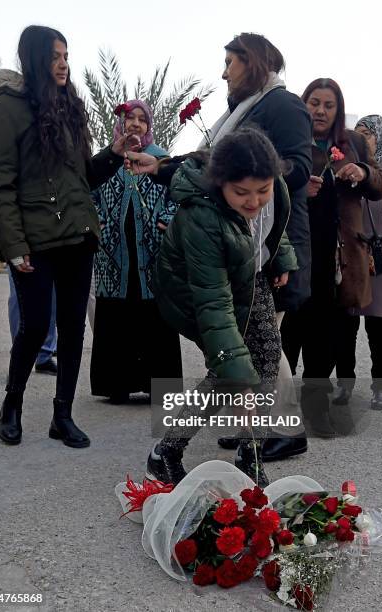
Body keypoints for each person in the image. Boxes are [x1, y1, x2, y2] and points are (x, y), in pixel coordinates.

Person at [128, 126, 297, 485]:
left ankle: (249, 454)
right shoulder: (201, 218)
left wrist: (280, 258)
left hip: (250, 275)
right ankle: (165, 453)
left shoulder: (273, 188)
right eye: (241, 193)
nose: (254, 201)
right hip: (198, 291)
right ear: (220, 183)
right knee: (228, 373)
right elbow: (215, 306)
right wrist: (240, 384)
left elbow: (273, 224)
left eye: (262, 190)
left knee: (267, 356)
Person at [0, 25, 129, 448]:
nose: (63, 63)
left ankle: (61, 415)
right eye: (54, 56)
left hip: (77, 238)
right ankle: (11, 405)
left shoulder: (70, 106)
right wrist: (13, 246)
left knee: (72, 329)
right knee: (32, 329)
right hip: (35, 241)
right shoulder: (7, 109)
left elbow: (82, 178)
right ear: (34, 59)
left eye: (66, 55)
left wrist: (113, 155)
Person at [200, 33, 312, 460]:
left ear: (254, 62)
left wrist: (250, 174)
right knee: (252, 338)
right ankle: (251, 427)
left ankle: (287, 429)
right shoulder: (244, 109)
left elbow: (300, 167)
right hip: (244, 242)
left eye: (230, 62)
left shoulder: (283, 105)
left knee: (264, 341)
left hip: (272, 243)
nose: (224, 72)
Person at [282, 79, 382, 435]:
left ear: (338, 110)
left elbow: (381, 184)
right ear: (304, 105)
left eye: (329, 105)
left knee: (324, 337)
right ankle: (274, 416)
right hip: (296, 254)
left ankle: (316, 409)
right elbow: (267, 184)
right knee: (285, 334)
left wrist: (363, 172)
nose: (320, 111)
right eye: (314, 103)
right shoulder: (290, 141)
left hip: (338, 259)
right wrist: (297, 186)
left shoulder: (354, 143)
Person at [90, 100, 182, 404]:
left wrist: (167, 219)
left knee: (155, 314)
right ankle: (116, 385)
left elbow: (178, 195)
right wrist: (99, 223)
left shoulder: (160, 160)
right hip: (112, 255)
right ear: (121, 122)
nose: (137, 125)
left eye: (143, 120)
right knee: (117, 314)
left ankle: (160, 388)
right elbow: (87, 193)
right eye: (131, 119)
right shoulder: (106, 160)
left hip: (153, 254)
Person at [333, 115, 382, 410]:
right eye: (359, 133)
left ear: (381, 137)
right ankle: (344, 385)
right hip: (352, 257)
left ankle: (381, 388)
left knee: (379, 327)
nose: (365, 139)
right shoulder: (347, 166)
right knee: (345, 326)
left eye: (369, 134)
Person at [7, 268, 58, 374]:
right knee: (19, 295)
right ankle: (19, 355)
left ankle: (44, 356)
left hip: (50, 252)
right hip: (20, 253)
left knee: (51, 294)